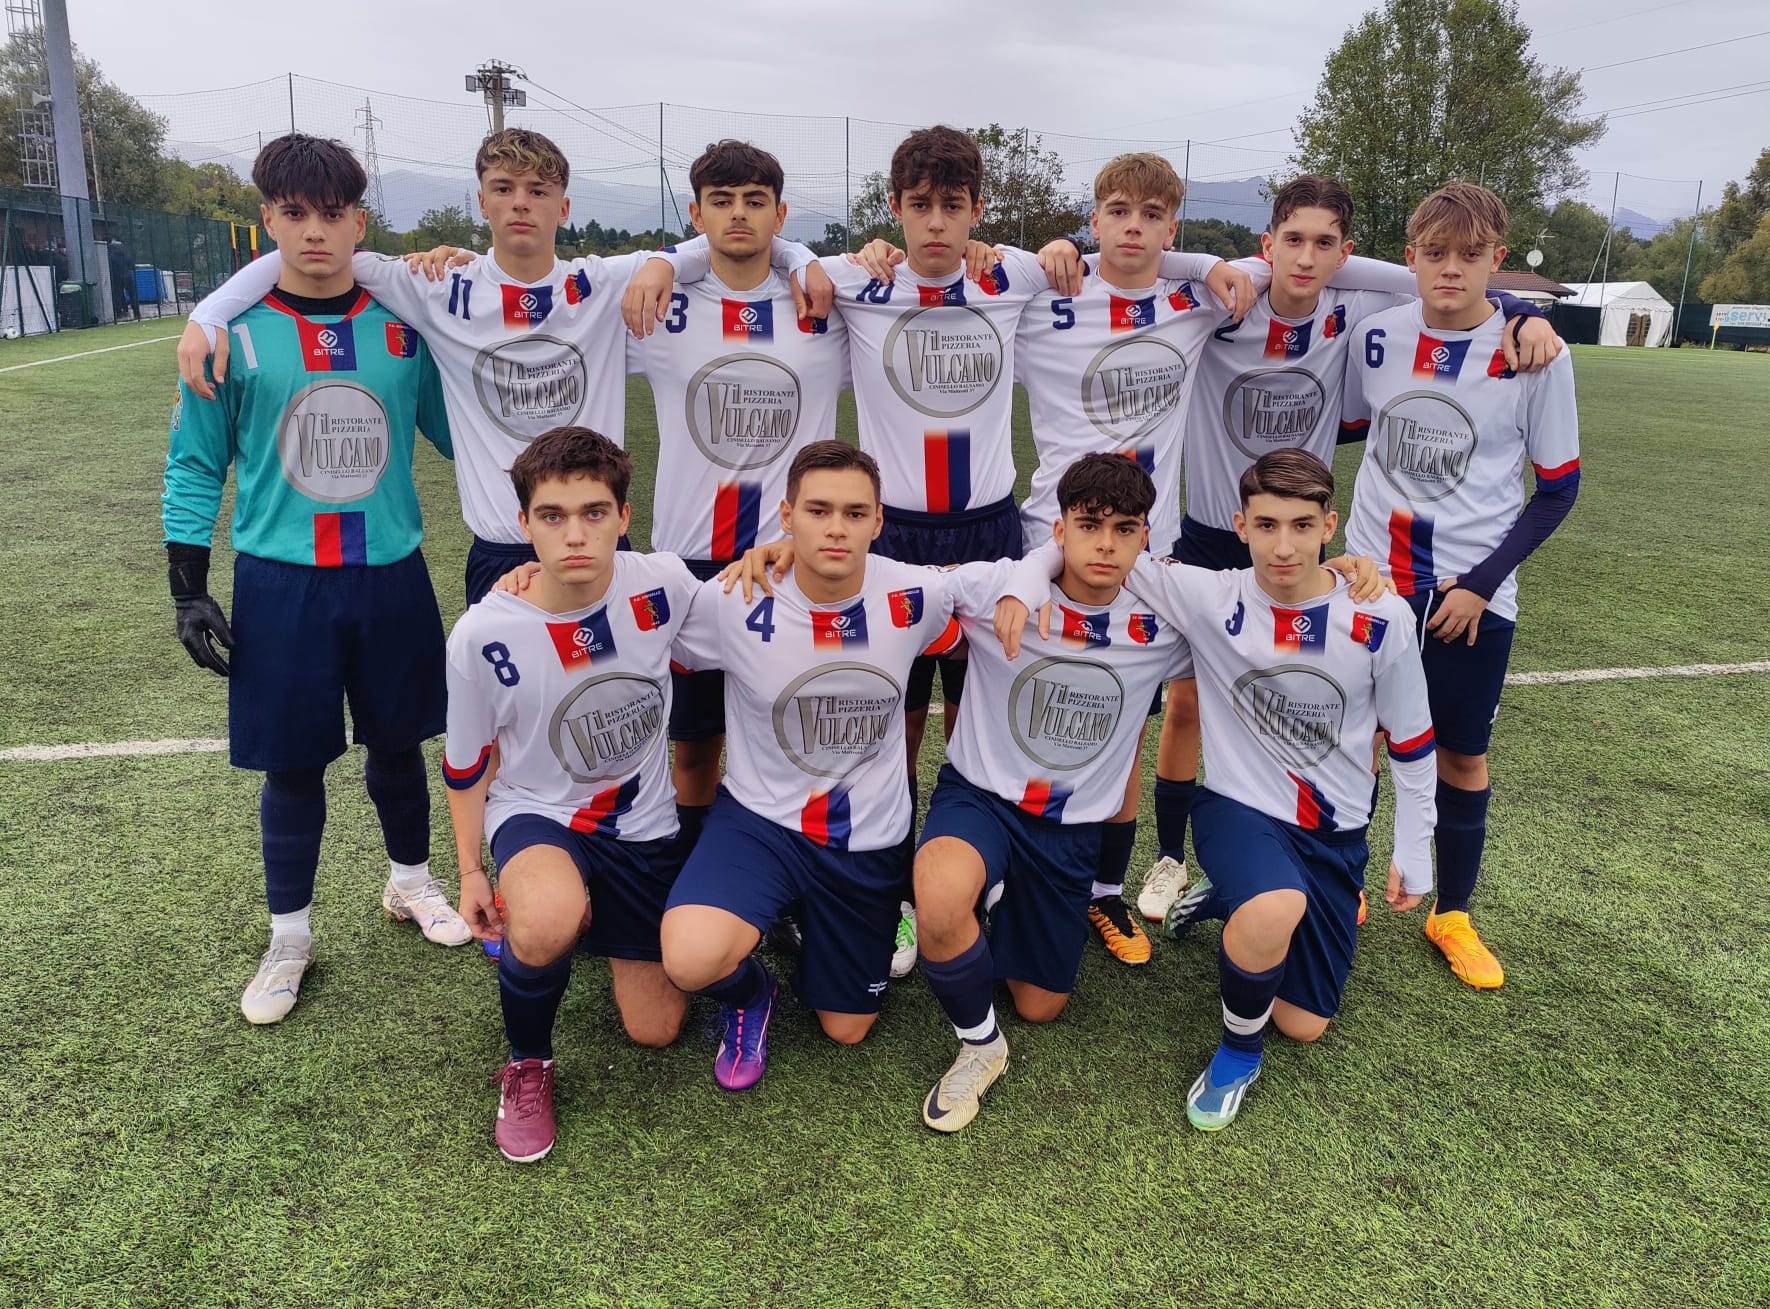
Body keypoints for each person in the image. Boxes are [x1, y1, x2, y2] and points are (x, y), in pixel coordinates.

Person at [1116, 175, 1560, 934]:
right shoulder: (1227, 300)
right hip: (1214, 533)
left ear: (1345, 254)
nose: (1306, 257)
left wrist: (1519, 308)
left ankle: (1347, 876)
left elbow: (1430, 281)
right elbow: (1143, 265)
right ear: (1268, 243)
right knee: (1187, 706)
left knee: (1318, 711)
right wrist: (1210, 263)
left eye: (1325, 244)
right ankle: (1171, 857)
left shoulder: (1354, 314)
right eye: (1292, 240)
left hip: (1300, 542)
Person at [175, 128, 825, 603]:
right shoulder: (437, 288)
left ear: (562, 208)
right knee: (510, 729)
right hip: (501, 548)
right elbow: (312, 252)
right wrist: (210, 314)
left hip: (601, 538)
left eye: (538, 191)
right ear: (481, 202)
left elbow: (728, 241)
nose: (521, 203)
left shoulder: (601, 285)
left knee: (616, 705)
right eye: (504, 189)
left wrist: (790, 258)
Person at [161, 133, 469, 1026]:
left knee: (400, 744)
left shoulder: (403, 328)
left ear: (359, 222)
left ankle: (410, 881)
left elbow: (461, 437)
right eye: (295, 213)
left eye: (333, 214)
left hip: (390, 573)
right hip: (283, 583)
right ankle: (289, 936)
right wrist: (187, 586)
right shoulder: (231, 336)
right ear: (268, 219)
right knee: (291, 767)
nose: (315, 232)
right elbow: (195, 465)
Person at [658, 441, 1039, 1091]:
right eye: (818, 510)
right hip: (760, 822)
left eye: (854, 513)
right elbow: (628, 614)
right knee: (690, 957)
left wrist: (1031, 585)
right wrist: (528, 580)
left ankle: (812, 920)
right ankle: (753, 994)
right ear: (787, 516)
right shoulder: (735, 597)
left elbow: (1019, 576)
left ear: (878, 520)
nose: (836, 527)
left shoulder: (916, 594)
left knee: (847, 1027)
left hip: (867, 837)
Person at [1340, 181, 1580, 990]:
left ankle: (1453, 912)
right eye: (1435, 253)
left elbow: (1557, 490)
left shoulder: (1535, 353)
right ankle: (1344, 882)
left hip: (1471, 596)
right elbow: (1349, 426)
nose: (1451, 269)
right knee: (1358, 741)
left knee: (1462, 755)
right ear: (1411, 257)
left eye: (1471, 255)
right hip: (1373, 583)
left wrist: (1480, 583)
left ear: (1496, 259)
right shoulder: (1375, 337)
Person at [443, 427, 701, 1163]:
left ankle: (580, 910)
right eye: (552, 516)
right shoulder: (483, 633)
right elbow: (467, 763)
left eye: (594, 512)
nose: (575, 534)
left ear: (624, 516)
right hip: (538, 811)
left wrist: (769, 560)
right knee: (544, 921)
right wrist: (470, 871)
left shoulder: (664, 583)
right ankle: (529, 1062)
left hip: (644, 822)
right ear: (523, 525)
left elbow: (747, 628)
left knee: (655, 1028)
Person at [912, 454, 1191, 1131]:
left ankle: (1000, 899)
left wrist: (1340, 573)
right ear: (1059, 530)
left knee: (1040, 1005)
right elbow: (895, 584)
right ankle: (981, 1045)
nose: (1105, 544)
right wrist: (788, 556)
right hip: (980, 798)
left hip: (1068, 830)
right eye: (1088, 525)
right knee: (939, 898)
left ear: (1145, 536)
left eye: (1124, 529)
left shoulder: (1164, 617)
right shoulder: (999, 588)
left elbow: (1267, 604)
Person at [624, 139, 852, 878]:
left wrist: (804, 258)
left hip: (792, 562)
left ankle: (785, 886)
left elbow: (908, 273)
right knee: (693, 746)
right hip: (690, 562)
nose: (739, 215)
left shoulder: (825, 301)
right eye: (720, 202)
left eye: (756, 201)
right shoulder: (658, 301)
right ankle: (695, 876)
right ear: (696, 215)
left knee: (792, 738)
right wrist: (666, 259)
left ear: (781, 215)